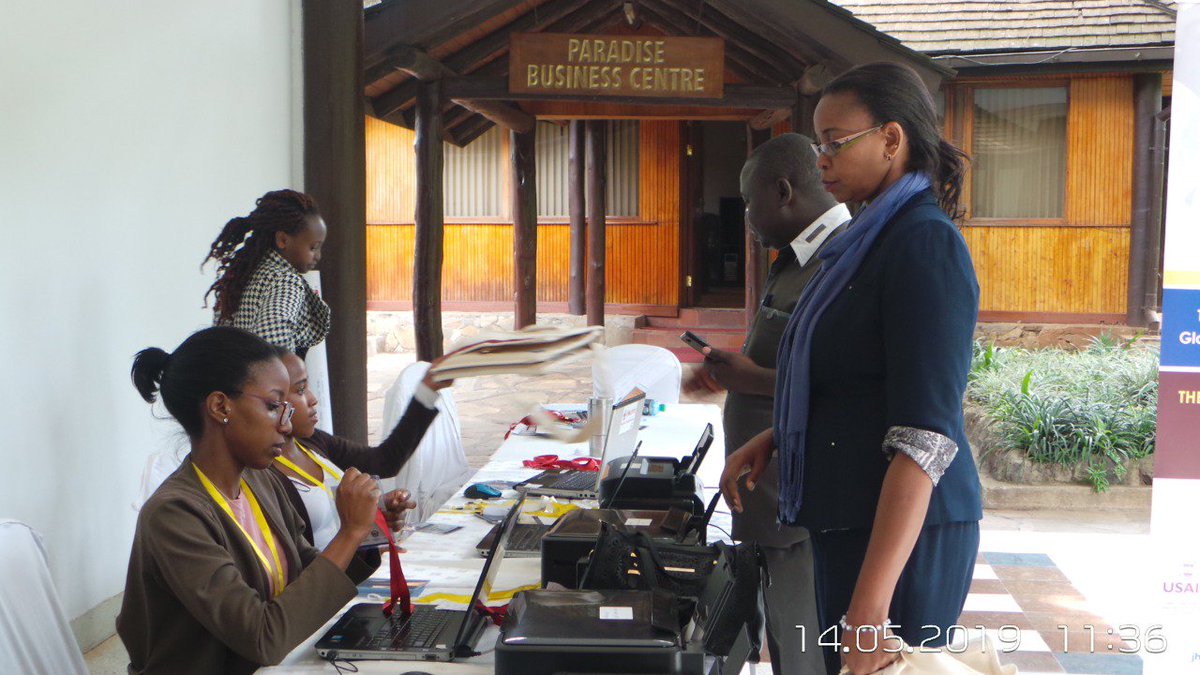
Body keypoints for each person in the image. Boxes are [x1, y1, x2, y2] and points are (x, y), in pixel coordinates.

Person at [719, 62, 981, 675]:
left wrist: (870, 609)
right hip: (853, 517)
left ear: (891, 139)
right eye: (819, 145)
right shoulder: (867, 238)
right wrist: (779, 434)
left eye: (835, 143)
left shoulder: (922, 243)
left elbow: (924, 437)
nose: (822, 161)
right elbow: (860, 384)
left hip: (902, 536)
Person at [118, 327, 411, 675]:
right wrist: (349, 533)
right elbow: (262, 636)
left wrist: (366, 531)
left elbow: (305, 574)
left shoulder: (260, 480)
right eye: (273, 406)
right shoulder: (174, 515)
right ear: (220, 407)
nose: (286, 425)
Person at [685, 133, 847, 675]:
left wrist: (753, 380)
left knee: (803, 653)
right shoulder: (797, 258)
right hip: (769, 501)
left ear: (783, 191)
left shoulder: (841, 259)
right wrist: (735, 373)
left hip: (798, 508)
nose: (746, 217)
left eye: (749, 202)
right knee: (780, 642)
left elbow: (849, 387)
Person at [271, 348, 448, 551]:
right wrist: (356, 529)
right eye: (301, 390)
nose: (313, 399)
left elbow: (384, 461)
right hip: (335, 571)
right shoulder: (265, 474)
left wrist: (373, 512)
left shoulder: (311, 442)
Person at [203, 189, 330, 357]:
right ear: (282, 240)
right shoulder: (285, 281)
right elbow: (273, 343)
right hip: (265, 374)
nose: (318, 256)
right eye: (313, 247)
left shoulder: (240, 276)